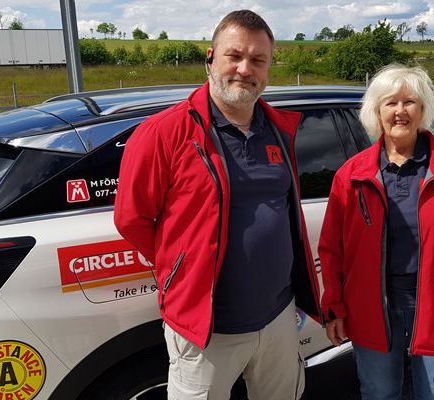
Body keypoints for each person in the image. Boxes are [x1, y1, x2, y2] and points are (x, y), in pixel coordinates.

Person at [114, 10, 321, 400]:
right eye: (234, 55)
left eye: (258, 60)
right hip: (206, 327)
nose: (245, 69)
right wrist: (180, 267)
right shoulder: (164, 133)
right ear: (210, 58)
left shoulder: (277, 129)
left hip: (279, 318)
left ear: (268, 68)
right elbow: (132, 219)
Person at [319, 64, 434, 400]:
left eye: (410, 102)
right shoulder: (351, 174)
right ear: (377, 110)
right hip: (372, 309)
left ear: (423, 109)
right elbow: (333, 249)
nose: (400, 111)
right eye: (390, 102)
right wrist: (335, 307)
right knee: (378, 393)